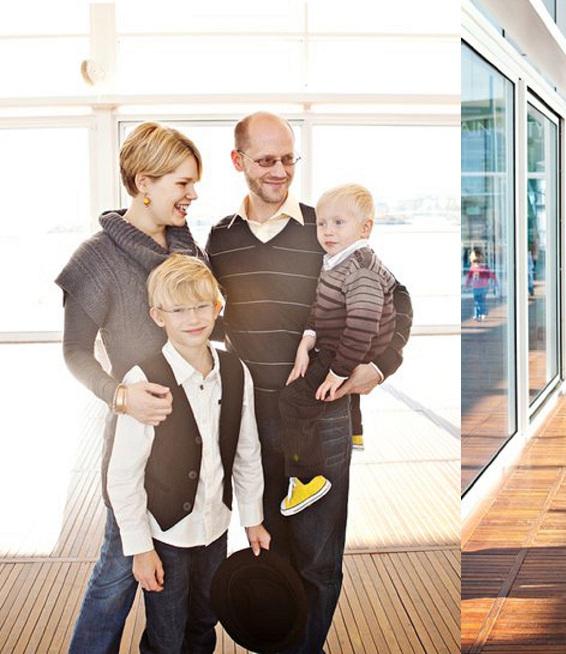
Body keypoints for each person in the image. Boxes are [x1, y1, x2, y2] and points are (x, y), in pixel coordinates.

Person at [205, 111, 412, 654]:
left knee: (318, 558)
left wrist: (380, 365)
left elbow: (398, 300)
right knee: (266, 549)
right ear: (239, 161)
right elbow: (214, 318)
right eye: (267, 160)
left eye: (289, 159)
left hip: (322, 417)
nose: (280, 171)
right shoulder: (220, 238)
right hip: (248, 419)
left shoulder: (327, 227)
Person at [56, 122, 203, 654]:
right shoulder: (94, 259)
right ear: (144, 181)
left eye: (194, 184)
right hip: (136, 439)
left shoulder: (188, 246)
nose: (193, 194)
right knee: (118, 573)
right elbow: (74, 353)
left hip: (192, 438)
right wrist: (121, 396)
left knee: (177, 579)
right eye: (182, 184)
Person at [107, 254, 271, 654]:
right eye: (179, 310)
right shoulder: (142, 380)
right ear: (158, 316)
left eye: (201, 306)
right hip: (166, 534)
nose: (193, 318)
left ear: (218, 307)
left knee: (204, 621)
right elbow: (123, 475)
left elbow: (247, 451)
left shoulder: (236, 370)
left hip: (216, 526)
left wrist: (252, 519)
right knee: (166, 632)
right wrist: (141, 548)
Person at [279, 183, 397, 516]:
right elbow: (321, 306)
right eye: (322, 223)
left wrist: (337, 372)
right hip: (335, 341)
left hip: (348, 347)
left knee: (293, 400)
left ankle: (307, 478)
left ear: (365, 228)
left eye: (338, 223)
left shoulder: (359, 270)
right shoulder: (336, 261)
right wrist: (307, 338)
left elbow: (361, 328)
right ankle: (355, 430)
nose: (328, 231)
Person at [465, 249, 497, 321]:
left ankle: (480, 313)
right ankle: (479, 313)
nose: (476, 262)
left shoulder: (485, 267)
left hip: (483, 288)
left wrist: (495, 282)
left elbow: (491, 275)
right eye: (475, 260)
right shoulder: (473, 268)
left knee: (480, 301)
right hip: (476, 288)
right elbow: (469, 277)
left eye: (478, 260)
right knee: (478, 301)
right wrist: (466, 285)